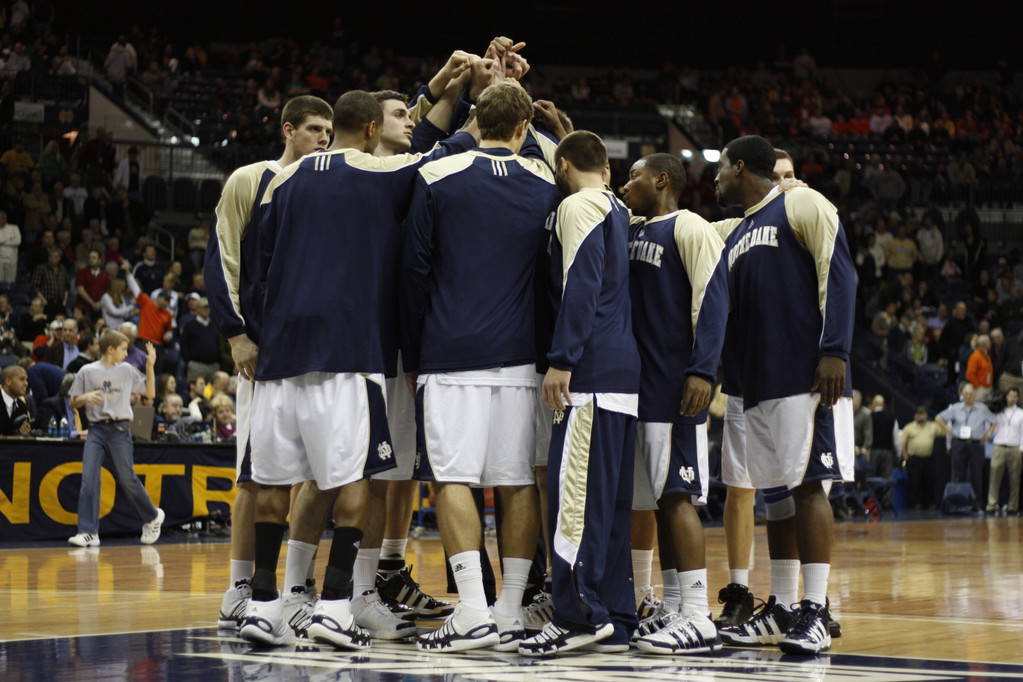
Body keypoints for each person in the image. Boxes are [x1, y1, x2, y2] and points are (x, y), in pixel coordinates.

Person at [239, 90, 478, 649]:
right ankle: (333, 607)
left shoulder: (281, 181)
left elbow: (257, 272)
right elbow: (442, 151)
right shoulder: (377, 174)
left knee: (275, 482)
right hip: (346, 350)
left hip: (280, 356)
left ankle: (263, 605)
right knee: (354, 482)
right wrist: (475, 102)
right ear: (370, 131)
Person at [401, 80, 559, 653]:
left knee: (453, 478)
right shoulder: (547, 184)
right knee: (518, 481)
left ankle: (471, 609)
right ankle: (512, 610)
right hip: (523, 359)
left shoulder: (436, 176)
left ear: (474, 122)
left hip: (450, 351)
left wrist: (415, 352)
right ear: (522, 129)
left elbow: (414, 270)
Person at [714, 135, 855, 656]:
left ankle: (816, 609)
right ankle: (782, 606)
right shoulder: (738, 228)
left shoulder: (800, 201)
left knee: (808, 486)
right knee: (774, 495)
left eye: (721, 169)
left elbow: (839, 274)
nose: (715, 179)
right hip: (753, 380)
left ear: (743, 167)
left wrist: (835, 351)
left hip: (801, 373)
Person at [203, 94, 335, 632]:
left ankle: (296, 583)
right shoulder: (249, 179)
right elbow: (222, 255)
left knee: (314, 472)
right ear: (287, 130)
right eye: (313, 129)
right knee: (254, 474)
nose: (323, 138)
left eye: (329, 130)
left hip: (314, 352)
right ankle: (241, 584)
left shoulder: (329, 185)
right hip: (262, 351)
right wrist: (235, 334)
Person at [521, 130, 641, 657]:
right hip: (622, 374)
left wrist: (561, 360)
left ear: (562, 165)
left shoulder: (578, 205)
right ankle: (614, 615)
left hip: (589, 371)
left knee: (573, 505)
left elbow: (581, 285)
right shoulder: (615, 206)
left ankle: (576, 616)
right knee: (609, 510)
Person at [620, 153, 727, 654]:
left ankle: (699, 614)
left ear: (661, 179)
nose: (626, 183)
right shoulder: (635, 229)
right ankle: (675, 604)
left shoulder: (690, 227)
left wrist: (703, 370)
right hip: (639, 389)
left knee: (678, 497)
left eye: (634, 175)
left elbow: (712, 298)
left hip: (675, 387)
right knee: (660, 501)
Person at [67, 329, 163, 547]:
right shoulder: (86, 371)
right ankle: (88, 531)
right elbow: (73, 401)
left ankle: (152, 516)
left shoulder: (126, 369)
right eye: (123, 349)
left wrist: (150, 366)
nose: (126, 354)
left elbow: (150, 393)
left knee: (127, 478)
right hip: (95, 430)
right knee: (88, 480)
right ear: (110, 349)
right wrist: (84, 397)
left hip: (119, 429)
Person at [936, 383, 995, 510]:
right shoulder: (955, 408)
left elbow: (995, 421)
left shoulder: (982, 408)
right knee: (958, 474)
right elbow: (939, 418)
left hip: (976, 444)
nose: (969, 397)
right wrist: (949, 431)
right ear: (962, 395)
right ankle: (957, 503)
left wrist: (987, 435)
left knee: (977, 474)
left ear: (975, 395)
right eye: (966, 394)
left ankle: (976, 504)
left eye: (971, 394)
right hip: (959, 443)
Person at [986, 387, 1022, 515]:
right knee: (995, 475)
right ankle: (992, 504)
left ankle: (1013, 505)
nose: (1012, 398)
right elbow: (992, 427)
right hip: (999, 446)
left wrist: (1021, 449)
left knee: (1014, 478)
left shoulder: (1020, 413)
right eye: (1010, 395)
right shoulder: (998, 411)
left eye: (1015, 396)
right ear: (1006, 396)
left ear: (1017, 398)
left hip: (1014, 447)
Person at [900, 406, 943, 509]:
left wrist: (940, 420)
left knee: (929, 481)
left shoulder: (932, 426)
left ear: (926, 415)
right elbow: (902, 442)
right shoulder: (909, 427)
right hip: (914, 458)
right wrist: (904, 454)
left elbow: (944, 431)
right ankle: (916, 503)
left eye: (921, 414)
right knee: (915, 482)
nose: (918, 416)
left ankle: (930, 503)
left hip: (928, 458)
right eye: (917, 414)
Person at [0, 364, 33, 436]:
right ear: (8, 381)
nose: (26, 383)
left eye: (26, 379)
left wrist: (23, 435)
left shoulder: (22, 406)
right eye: (22, 379)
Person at [0, 210, 20, 285]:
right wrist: (10, 238)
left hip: (12, 260)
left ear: (4, 219)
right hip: (0, 260)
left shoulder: (14, 228)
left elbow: (17, 241)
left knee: (10, 285)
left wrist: (2, 242)